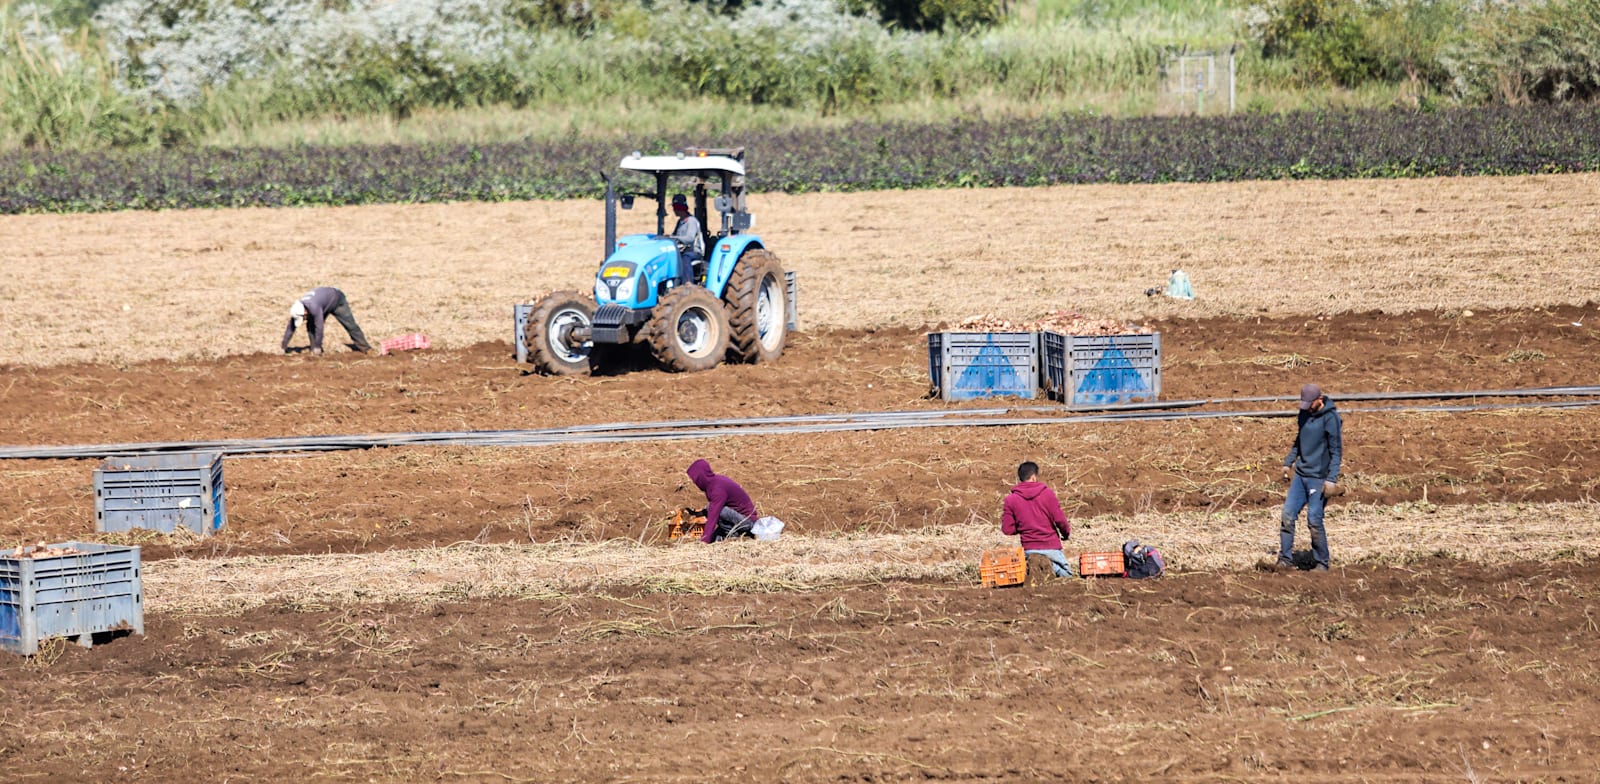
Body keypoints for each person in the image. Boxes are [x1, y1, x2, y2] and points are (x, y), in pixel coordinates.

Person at [1277, 383, 1344, 572]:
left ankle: (1322, 562)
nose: (1306, 408)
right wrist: (1288, 461)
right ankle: (1285, 560)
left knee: (1314, 519)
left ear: (1319, 400)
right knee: (1287, 516)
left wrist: (1331, 479)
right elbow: (1299, 440)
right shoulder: (1304, 414)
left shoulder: (1331, 419)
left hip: (1319, 478)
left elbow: (1336, 450)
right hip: (1300, 475)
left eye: (1309, 404)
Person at [1001, 461, 1074, 578]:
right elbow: (1060, 520)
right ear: (1034, 477)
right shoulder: (1048, 494)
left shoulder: (1011, 499)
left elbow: (1007, 529)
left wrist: (1023, 526)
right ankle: (1051, 566)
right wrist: (1066, 534)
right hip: (1051, 547)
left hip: (1029, 550)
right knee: (1067, 577)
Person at [281, 286, 373, 355]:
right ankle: (315, 350)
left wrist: (318, 346)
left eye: (303, 317)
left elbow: (319, 328)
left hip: (337, 300)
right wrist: (283, 346)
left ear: (305, 312)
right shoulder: (298, 309)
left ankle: (366, 348)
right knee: (310, 326)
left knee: (350, 325)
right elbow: (291, 327)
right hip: (323, 303)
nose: (304, 319)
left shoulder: (314, 307)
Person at [686, 459, 758, 543]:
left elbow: (714, 514)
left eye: (695, 479)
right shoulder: (713, 483)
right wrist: (700, 513)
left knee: (712, 509)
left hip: (747, 522)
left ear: (701, 477)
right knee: (714, 539)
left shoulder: (717, 489)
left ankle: (733, 535)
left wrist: (704, 541)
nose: (695, 483)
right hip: (737, 519)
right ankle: (731, 534)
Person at [670, 194, 705, 284]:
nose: (673, 210)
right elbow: (675, 236)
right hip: (683, 249)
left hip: (694, 251)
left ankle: (688, 283)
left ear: (679, 208)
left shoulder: (691, 221)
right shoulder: (680, 222)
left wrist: (674, 237)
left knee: (686, 257)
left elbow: (689, 239)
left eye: (675, 208)